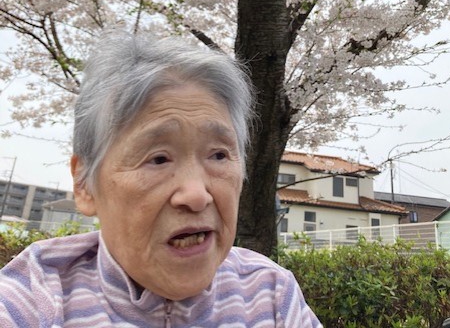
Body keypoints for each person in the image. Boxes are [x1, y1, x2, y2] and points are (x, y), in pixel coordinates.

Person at [0, 30, 322, 327]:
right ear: (85, 184)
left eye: (218, 155)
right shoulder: (35, 298)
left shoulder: (272, 296)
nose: (196, 195)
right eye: (158, 159)